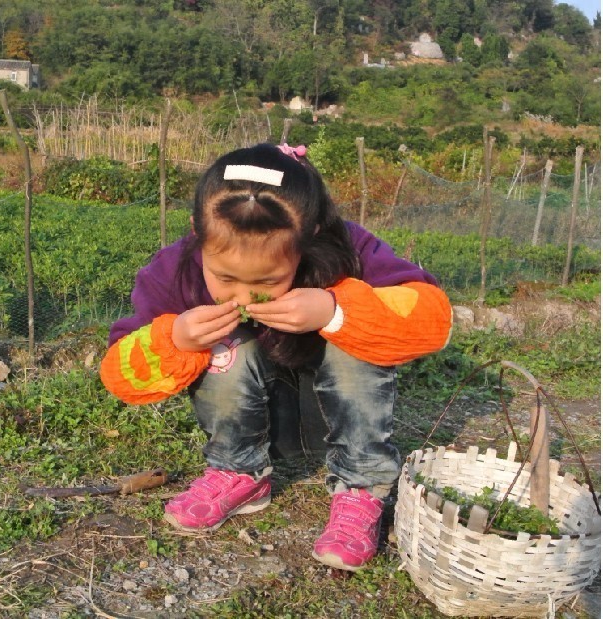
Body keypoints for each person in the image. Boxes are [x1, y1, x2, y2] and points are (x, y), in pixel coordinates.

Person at [99, 142, 452, 571]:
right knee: (224, 346)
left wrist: (334, 312)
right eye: (225, 278)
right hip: (252, 393)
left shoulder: (350, 248)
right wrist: (175, 338)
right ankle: (238, 472)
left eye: (267, 280)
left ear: (311, 236)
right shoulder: (174, 268)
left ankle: (361, 486)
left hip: (334, 393)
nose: (244, 297)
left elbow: (431, 316)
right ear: (197, 231)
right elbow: (119, 371)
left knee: (356, 334)